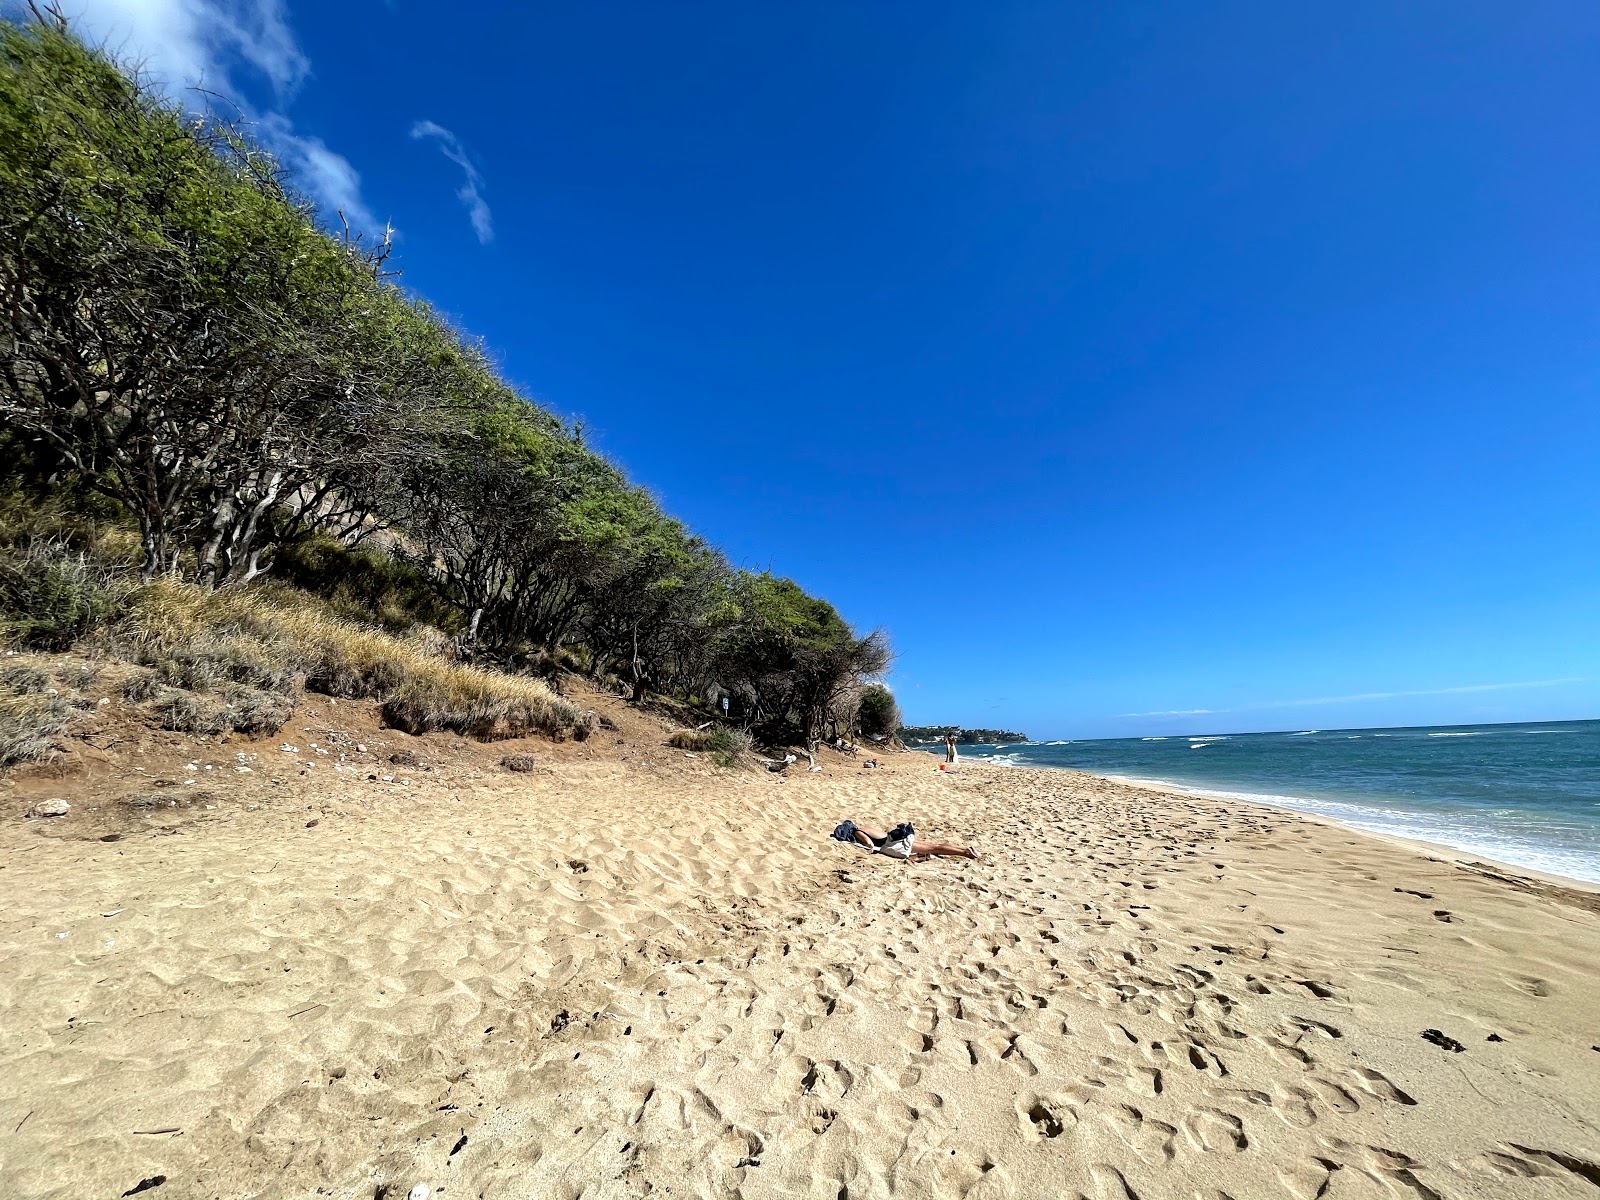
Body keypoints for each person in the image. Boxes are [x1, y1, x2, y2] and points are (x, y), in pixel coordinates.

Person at [831, 819, 981, 862]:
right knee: (934, 845)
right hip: (900, 836)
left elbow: (870, 844)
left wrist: (865, 846)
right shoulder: (865, 826)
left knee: (934, 848)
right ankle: (964, 849)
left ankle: (966, 853)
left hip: (897, 843)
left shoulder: (858, 832)